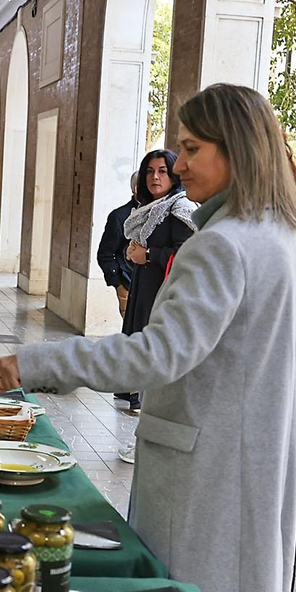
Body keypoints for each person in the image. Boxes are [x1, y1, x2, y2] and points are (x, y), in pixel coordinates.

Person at [0, 84, 296, 592]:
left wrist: (35, 363)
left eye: (191, 149)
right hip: (255, 472)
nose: (178, 165)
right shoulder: (291, 241)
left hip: (209, 479)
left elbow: (157, 356)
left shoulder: (223, 246)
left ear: (235, 150)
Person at [116, 149, 197, 427]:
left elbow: (185, 254)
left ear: (174, 174)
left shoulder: (180, 208)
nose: (155, 177)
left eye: (162, 170)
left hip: (162, 296)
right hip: (143, 291)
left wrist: (148, 255)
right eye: (150, 171)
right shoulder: (148, 209)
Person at [97, 173, 140, 410]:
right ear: (135, 189)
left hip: (149, 285)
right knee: (134, 334)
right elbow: (106, 253)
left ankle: (125, 386)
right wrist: (118, 283)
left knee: (132, 334)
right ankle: (133, 391)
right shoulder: (120, 216)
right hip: (127, 282)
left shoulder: (163, 214)